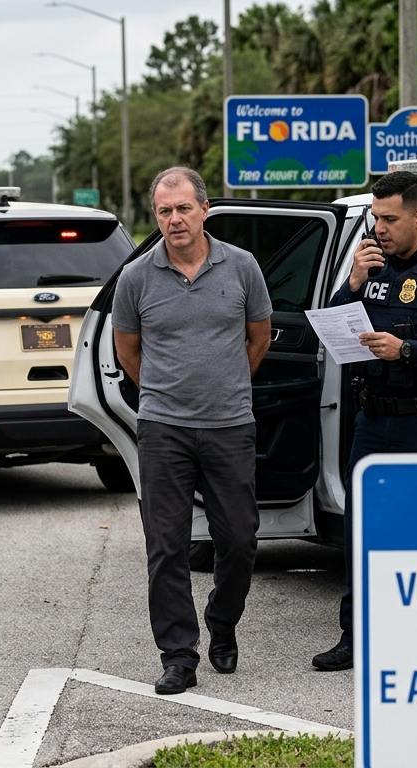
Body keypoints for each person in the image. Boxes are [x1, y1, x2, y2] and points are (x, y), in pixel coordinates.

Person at [312, 171, 417, 672]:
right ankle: (356, 637)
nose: (380, 228)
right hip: (374, 421)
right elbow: (337, 329)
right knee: (361, 531)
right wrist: (352, 285)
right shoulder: (373, 268)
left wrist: (405, 349)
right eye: (375, 218)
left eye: (389, 219)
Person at [112, 167, 272, 695]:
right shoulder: (135, 277)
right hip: (163, 430)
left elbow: (258, 337)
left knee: (239, 539)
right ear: (155, 216)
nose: (174, 220)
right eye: (164, 211)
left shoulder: (243, 267)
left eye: (183, 208)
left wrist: (224, 387)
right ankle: (179, 655)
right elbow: (127, 352)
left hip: (229, 426)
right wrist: (166, 394)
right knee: (166, 546)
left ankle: (222, 624)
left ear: (204, 209)